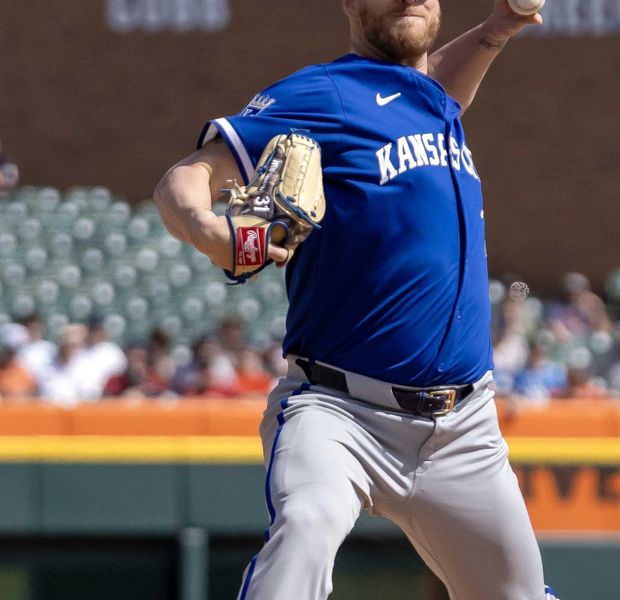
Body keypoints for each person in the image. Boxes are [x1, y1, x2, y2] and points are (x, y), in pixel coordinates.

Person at [154, 2, 556, 599]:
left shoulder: (426, 99)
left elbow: (430, 89)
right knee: (305, 528)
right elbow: (184, 178)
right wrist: (209, 230)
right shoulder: (323, 95)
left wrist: (497, 28)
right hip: (341, 413)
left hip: (464, 427)